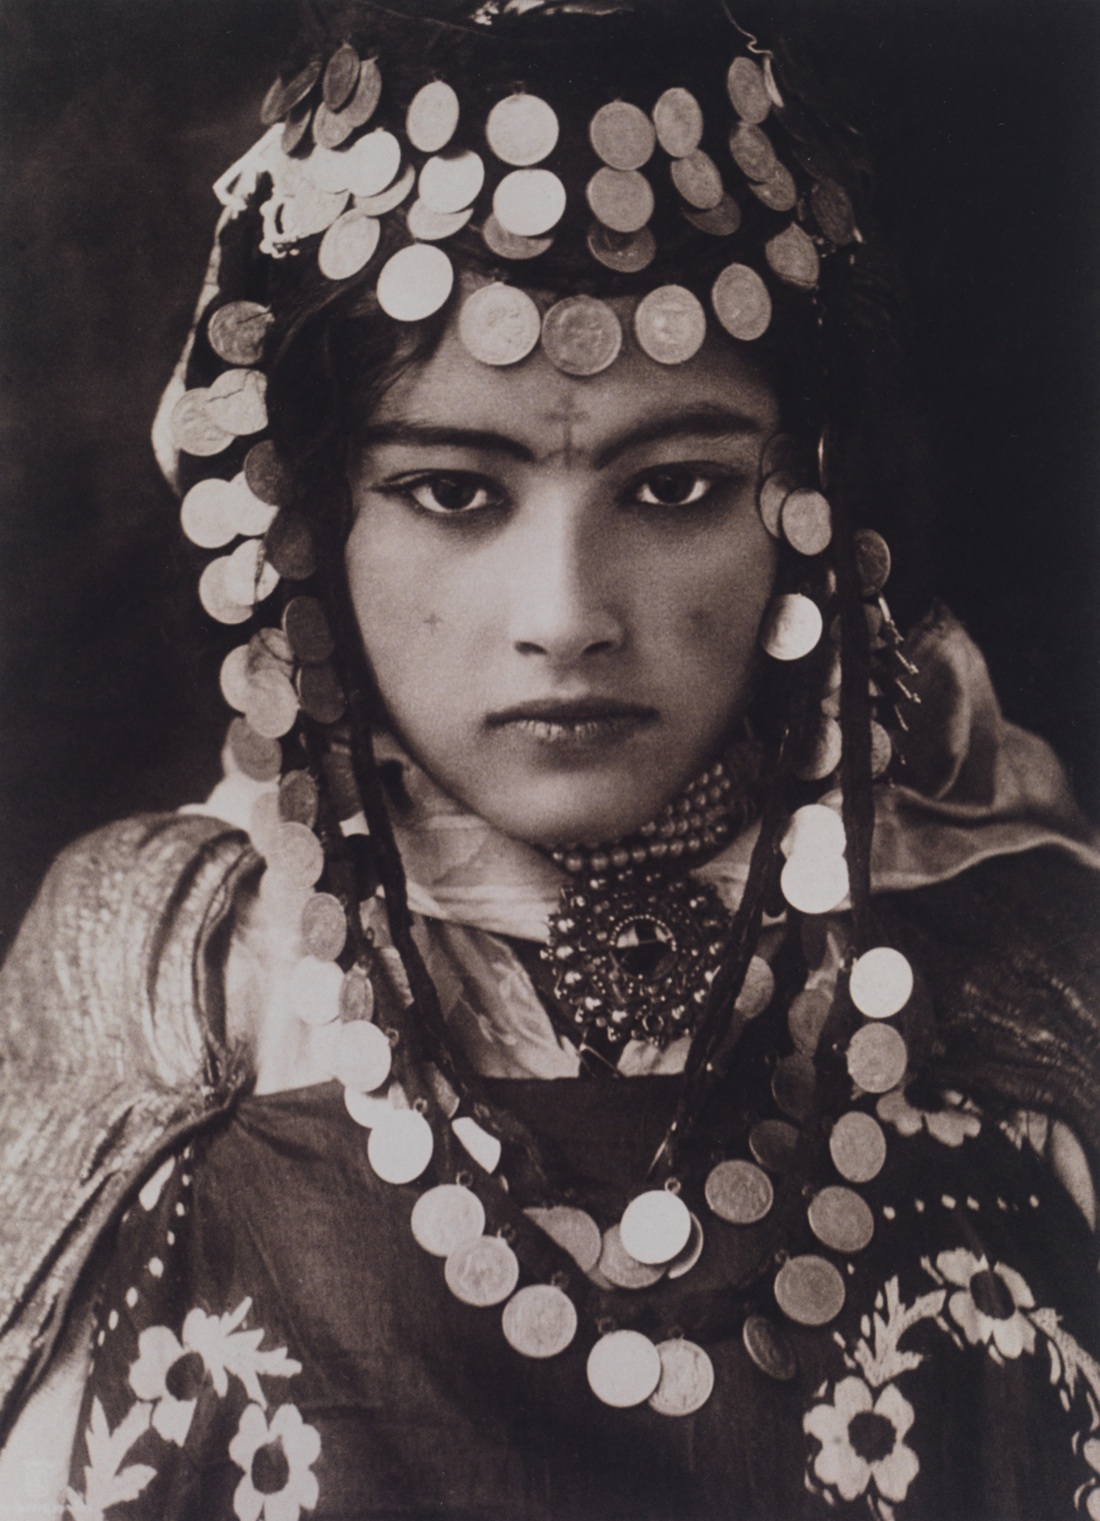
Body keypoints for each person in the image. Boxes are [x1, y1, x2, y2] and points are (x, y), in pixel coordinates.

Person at [1, 1, 1099, 1516]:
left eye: (676, 487)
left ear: (806, 506)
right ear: (310, 523)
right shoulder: (173, 993)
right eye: (455, 492)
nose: (567, 615)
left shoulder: (1022, 977)